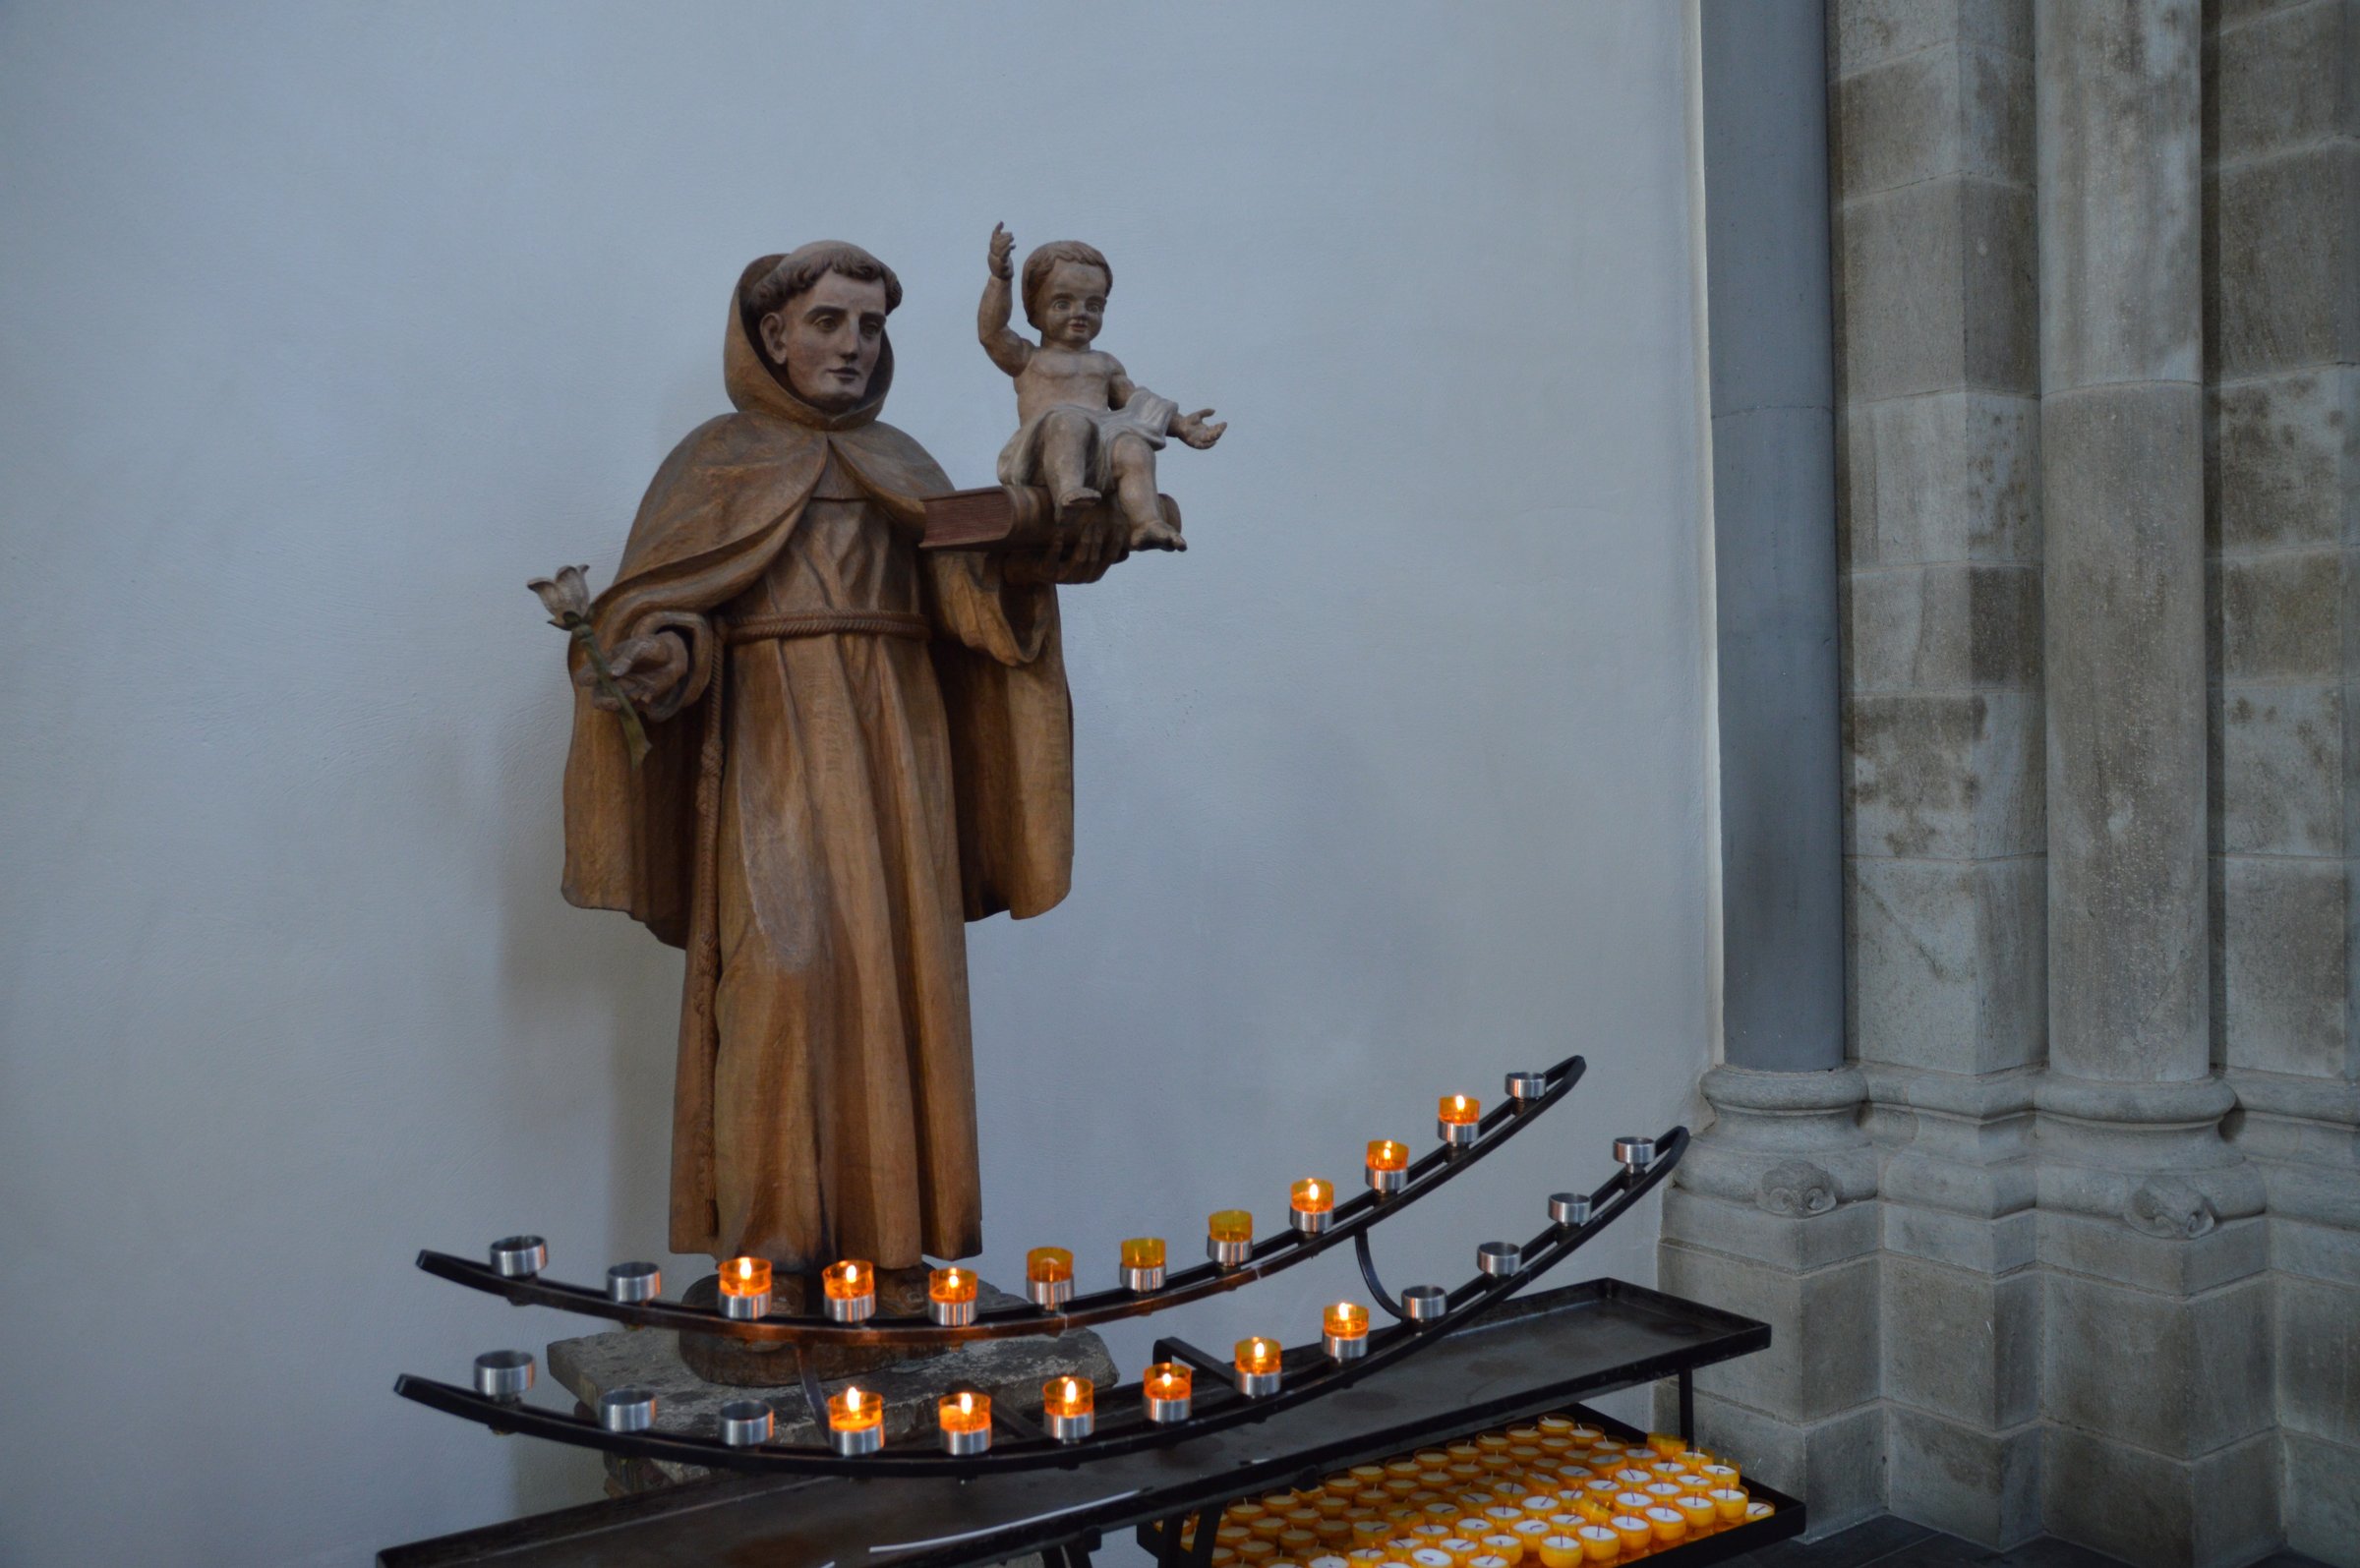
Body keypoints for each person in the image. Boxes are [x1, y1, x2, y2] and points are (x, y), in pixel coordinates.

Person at [559, 241, 1077, 1277]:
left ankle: (886, 1254)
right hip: (773, 743)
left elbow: (973, 607)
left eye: (871, 325)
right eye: (830, 322)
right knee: (780, 972)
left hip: (900, 745)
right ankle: (772, 1252)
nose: (851, 344)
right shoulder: (715, 461)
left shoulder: (905, 465)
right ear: (773, 336)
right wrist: (655, 652)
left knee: (900, 974)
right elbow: (667, 606)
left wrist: (1037, 558)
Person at [978, 225, 1225, 552]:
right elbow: (992, 332)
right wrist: (1000, 278)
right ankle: (1067, 493)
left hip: (1098, 456)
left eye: (1093, 306)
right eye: (1062, 303)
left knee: (1133, 447)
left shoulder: (1105, 365)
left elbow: (1137, 401)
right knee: (1070, 421)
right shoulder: (1028, 359)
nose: (1080, 313)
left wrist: (1181, 426)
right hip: (1043, 456)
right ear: (1034, 311)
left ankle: (1146, 523)